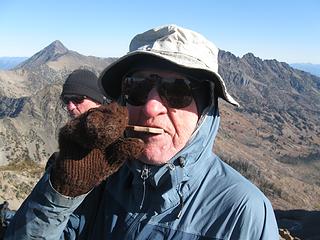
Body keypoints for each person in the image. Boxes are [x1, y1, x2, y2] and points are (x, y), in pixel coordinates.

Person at [4, 24, 279, 239]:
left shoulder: (243, 212)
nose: (150, 108)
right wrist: (61, 194)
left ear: (206, 108)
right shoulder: (98, 179)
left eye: (177, 91)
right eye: (136, 87)